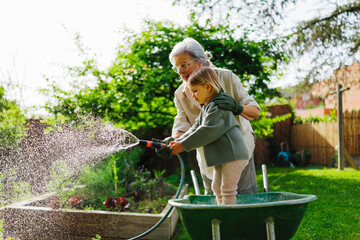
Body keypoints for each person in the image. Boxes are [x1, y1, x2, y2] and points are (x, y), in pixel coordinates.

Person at [154, 37, 260, 195]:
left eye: (184, 65)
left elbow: (255, 111)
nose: (181, 71)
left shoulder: (225, 77)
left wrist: (237, 107)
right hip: (210, 156)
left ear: (200, 61)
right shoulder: (180, 94)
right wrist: (172, 142)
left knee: (244, 197)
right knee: (215, 199)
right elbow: (183, 125)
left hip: (238, 151)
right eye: (177, 67)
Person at [169, 66, 250, 205]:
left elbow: (206, 131)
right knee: (216, 187)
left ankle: (228, 219)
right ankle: (221, 212)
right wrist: (176, 140)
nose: (193, 96)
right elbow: (195, 127)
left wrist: (183, 145)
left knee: (227, 189)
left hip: (233, 154)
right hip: (224, 155)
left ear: (207, 86)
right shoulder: (208, 106)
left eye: (195, 91)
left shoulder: (218, 106)